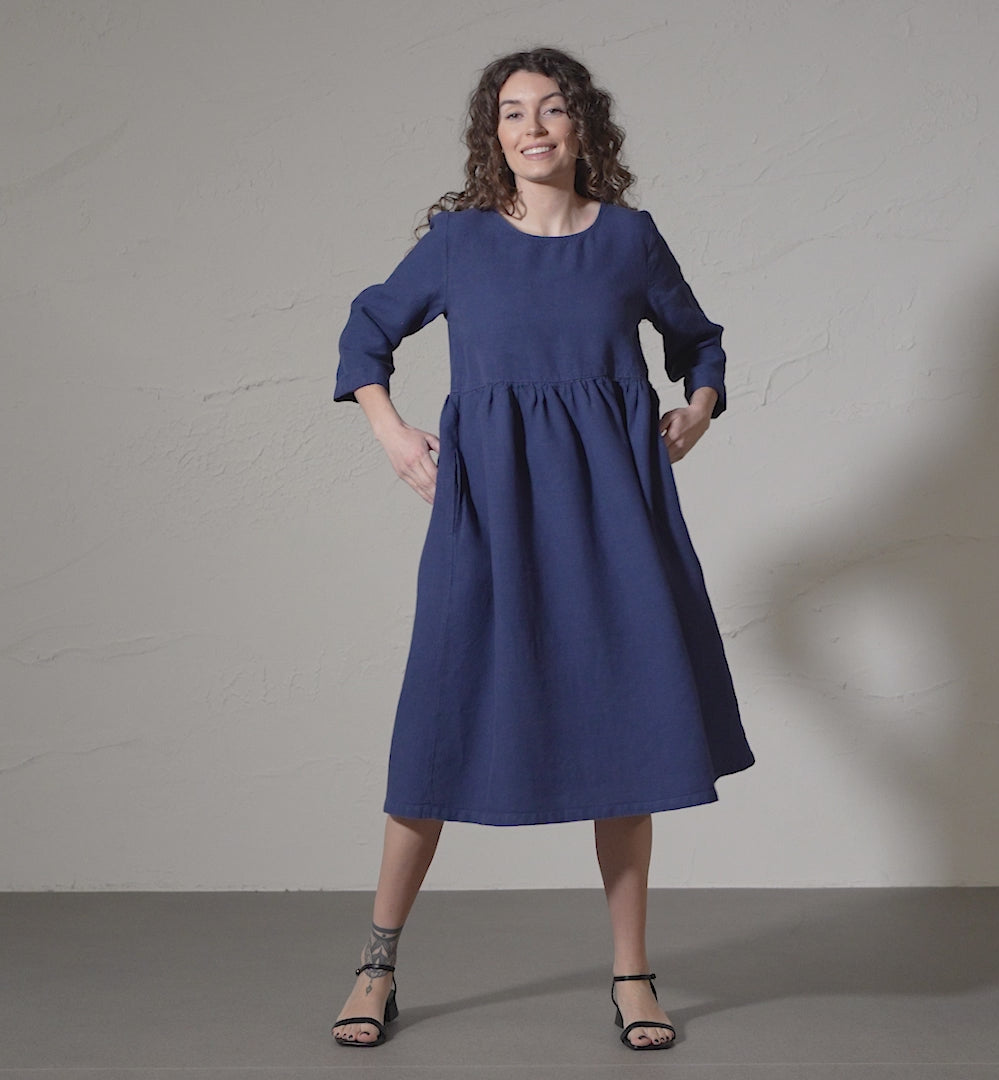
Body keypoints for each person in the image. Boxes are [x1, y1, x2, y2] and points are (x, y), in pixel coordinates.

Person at [330, 46, 754, 1052]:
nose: (533, 127)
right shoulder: (459, 243)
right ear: (494, 136)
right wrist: (392, 433)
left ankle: (633, 975)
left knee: (629, 735)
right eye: (513, 112)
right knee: (438, 720)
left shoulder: (630, 241)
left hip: (615, 514)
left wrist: (695, 412)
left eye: (553, 109)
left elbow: (700, 343)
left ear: (582, 129)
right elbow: (366, 332)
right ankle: (376, 963)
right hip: (492, 508)